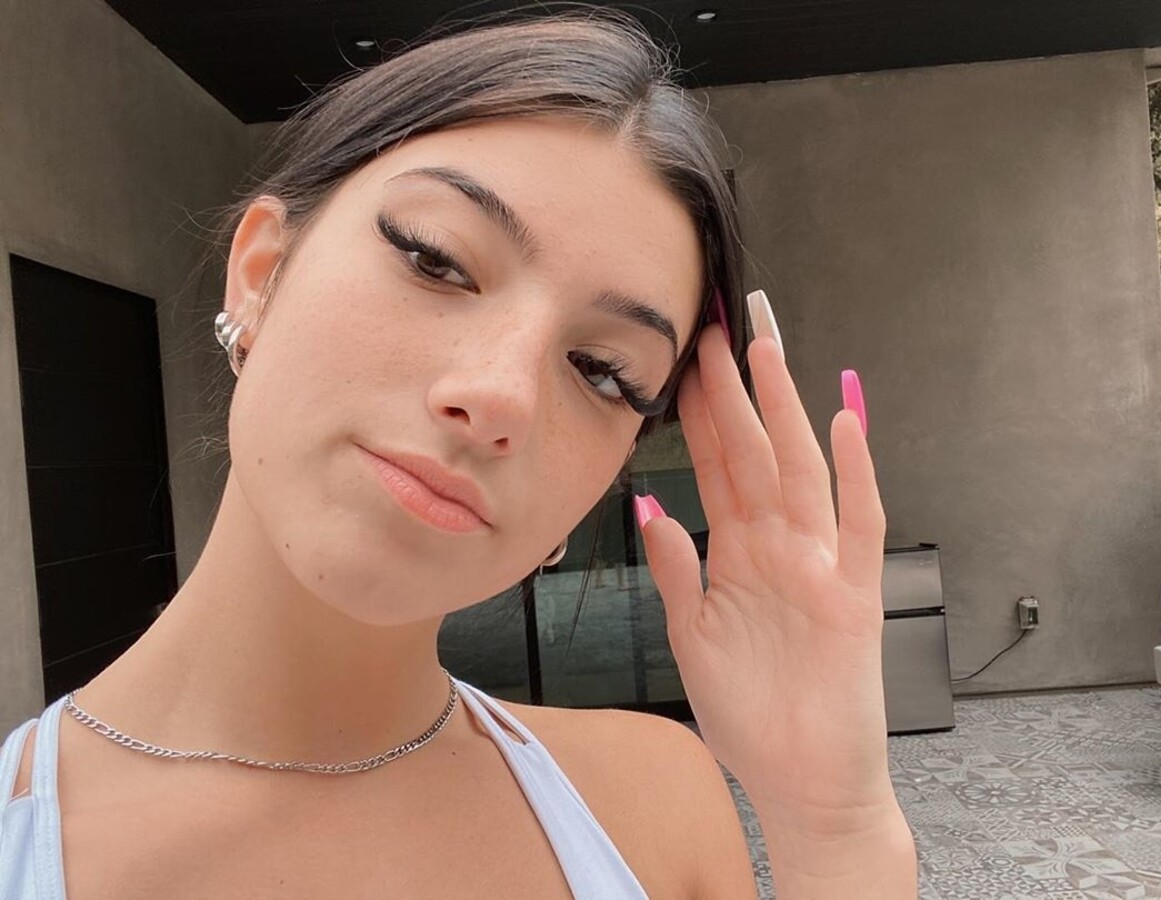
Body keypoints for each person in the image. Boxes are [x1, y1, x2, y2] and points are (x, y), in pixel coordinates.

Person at [0, 8, 916, 898]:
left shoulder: (653, 810)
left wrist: (833, 828)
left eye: (602, 372)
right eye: (435, 260)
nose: (500, 395)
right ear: (260, 274)